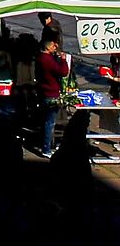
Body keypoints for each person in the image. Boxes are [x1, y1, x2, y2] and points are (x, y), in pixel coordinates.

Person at [36, 25, 71, 157]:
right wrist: (63, 60)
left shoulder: (41, 57)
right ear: (49, 45)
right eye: (54, 45)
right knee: (50, 122)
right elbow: (63, 72)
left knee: (46, 120)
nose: (55, 47)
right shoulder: (48, 60)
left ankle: (47, 145)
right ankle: (46, 149)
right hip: (51, 94)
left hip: (44, 92)